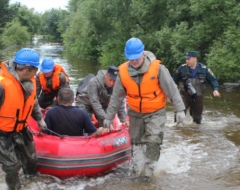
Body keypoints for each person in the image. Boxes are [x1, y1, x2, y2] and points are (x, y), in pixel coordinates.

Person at [103, 38, 186, 178]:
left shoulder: (158, 68)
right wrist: (108, 117)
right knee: (136, 143)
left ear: (143, 53)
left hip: (156, 112)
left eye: (136, 58)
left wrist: (179, 109)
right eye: (131, 59)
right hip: (135, 113)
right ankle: (136, 168)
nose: (134, 61)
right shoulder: (123, 71)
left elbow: (171, 89)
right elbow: (116, 97)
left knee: (153, 140)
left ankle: (149, 170)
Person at [0, 48, 47, 190]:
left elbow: (33, 102)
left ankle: (32, 182)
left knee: (31, 158)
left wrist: (40, 119)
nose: (37, 73)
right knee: (11, 166)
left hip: (20, 128)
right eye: (35, 70)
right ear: (25, 70)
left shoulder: (30, 80)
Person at [173, 51, 220, 124]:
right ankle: (177, 129)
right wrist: (170, 94)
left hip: (198, 96)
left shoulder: (204, 69)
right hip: (183, 94)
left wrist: (215, 89)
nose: (187, 61)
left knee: (197, 118)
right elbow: (173, 81)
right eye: (186, 59)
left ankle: (195, 132)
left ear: (195, 59)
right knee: (179, 113)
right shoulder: (181, 68)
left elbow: (213, 79)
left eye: (189, 59)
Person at [43, 88, 109, 136]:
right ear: (73, 100)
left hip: (57, 144)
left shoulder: (50, 112)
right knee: (96, 129)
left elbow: (45, 132)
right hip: (78, 144)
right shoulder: (82, 113)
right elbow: (93, 132)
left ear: (58, 99)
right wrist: (101, 130)